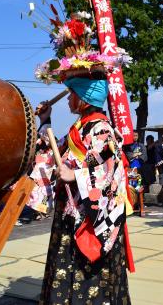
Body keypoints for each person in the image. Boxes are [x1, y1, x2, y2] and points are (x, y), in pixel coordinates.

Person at [39, 76, 133, 304]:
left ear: (83, 98)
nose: (69, 99)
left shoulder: (101, 128)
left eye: (72, 94)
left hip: (89, 214)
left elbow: (112, 171)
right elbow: (56, 150)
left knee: (88, 267)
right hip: (72, 207)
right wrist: (45, 121)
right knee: (67, 261)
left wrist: (76, 175)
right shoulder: (80, 127)